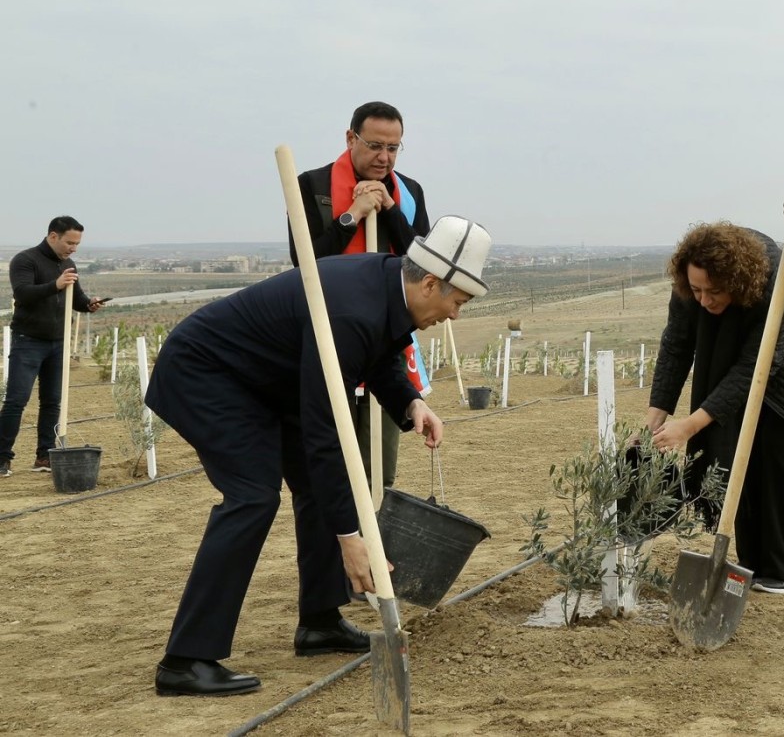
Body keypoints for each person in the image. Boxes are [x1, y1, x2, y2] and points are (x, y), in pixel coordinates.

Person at [147, 216, 490, 697]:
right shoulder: (352, 310)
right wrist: (350, 538)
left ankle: (320, 622)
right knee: (251, 496)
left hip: (269, 380)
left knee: (318, 486)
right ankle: (185, 660)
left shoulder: (387, 285)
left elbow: (382, 352)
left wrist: (412, 402)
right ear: (430, 282)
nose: (456, 314)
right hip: (207, 373)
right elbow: (324, 432)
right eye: (457, 301)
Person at [646, 222, 784, 595]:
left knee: (774, 455)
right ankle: (752, 563)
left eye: (714, 291)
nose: (703, 300)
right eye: (697, 290)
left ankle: (782, 568)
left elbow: (754, 368)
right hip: (724, 354)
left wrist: (689, 427)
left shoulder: (772, 281)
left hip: (782, 369)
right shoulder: (690, 286)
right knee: (735, 458)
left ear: (737, 283)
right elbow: (676, 344)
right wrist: (654, 418)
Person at [292, 101, 431, 489]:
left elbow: (422, 264)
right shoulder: (311, 186)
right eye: (374, 145)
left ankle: (374, 539)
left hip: (387, 341)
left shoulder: (410, 193)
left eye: (393, 148)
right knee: (329, 460)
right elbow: (303, 261)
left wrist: (388, 210)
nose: (384, 157)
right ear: (350, 138)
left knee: (379, 468)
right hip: (327, 335)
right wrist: (352, 214)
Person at [0, 216, 109, 477]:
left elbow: (76, 299)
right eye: (69, 242)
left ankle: (44, 456)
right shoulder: (25, 260)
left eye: (77, 243)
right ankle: (2, 458)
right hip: (28, 341)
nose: (73, 248)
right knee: (16, 400)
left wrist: (89, 304)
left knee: (52, 402)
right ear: (53, 236)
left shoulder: (68, 265)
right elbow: (23, 293)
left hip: (58, 343)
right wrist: (55, 285)